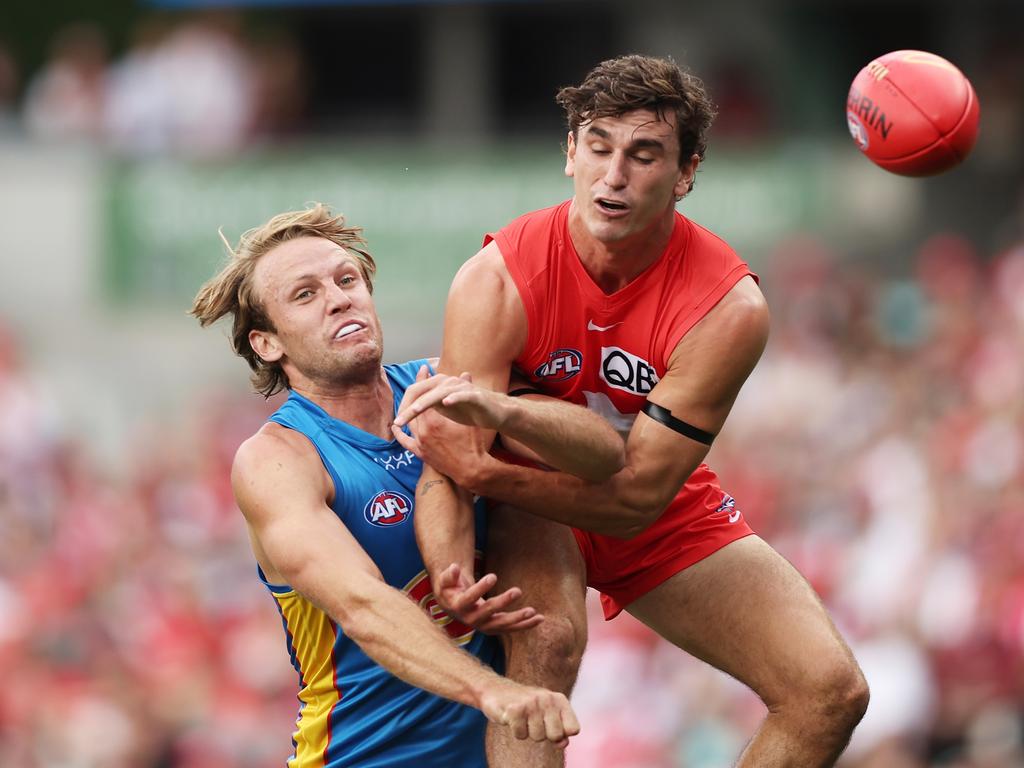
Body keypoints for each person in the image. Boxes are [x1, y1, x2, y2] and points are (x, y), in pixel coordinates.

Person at [393, 54, 871, 768]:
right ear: (570, 153)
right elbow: (449, 464)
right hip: (536, 503)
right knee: (546, 645)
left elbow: (638, 497)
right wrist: (451, 565)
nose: (613, 176)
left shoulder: (728, 308)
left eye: (644, 155)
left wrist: (487, 475)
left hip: (642, 498)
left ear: (686, 174)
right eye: (599, 147)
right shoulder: (496, 278)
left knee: (830, 692)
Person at [189, 205, 601, 767]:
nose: (339, 298)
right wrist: (492, 690)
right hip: (363, 755)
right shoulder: (278, 459)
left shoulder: (449, 384)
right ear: (267, 343)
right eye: (305, 295)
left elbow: (598, 451)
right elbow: (362, 604)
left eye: (346, 279)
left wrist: (508, 412)